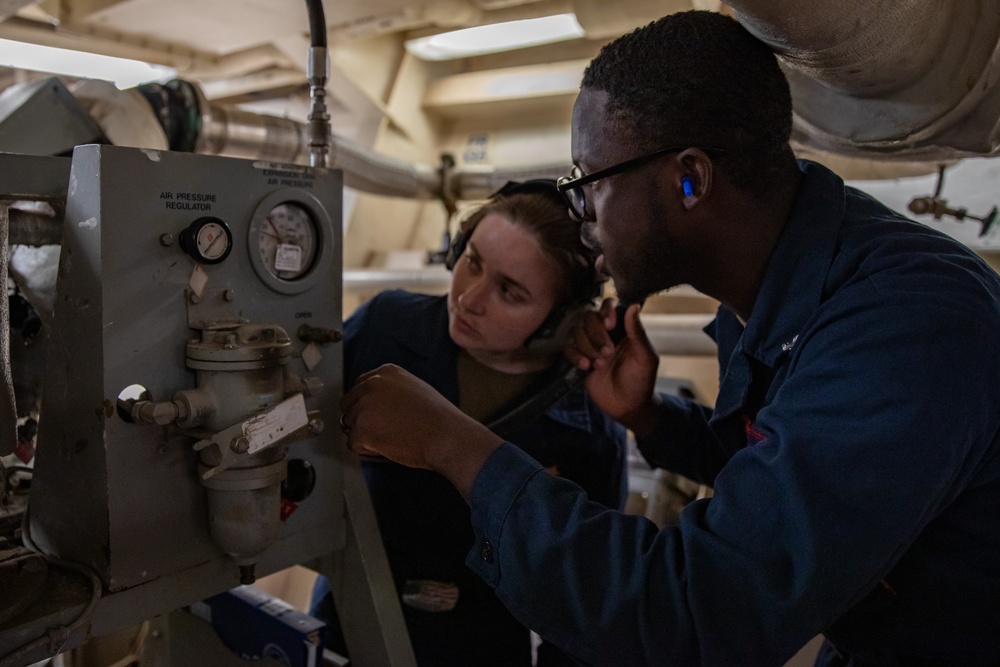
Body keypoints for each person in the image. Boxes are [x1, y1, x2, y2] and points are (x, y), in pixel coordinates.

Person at [338, 10, 1000, 667]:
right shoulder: (786, 289)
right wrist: (653, 419)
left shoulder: (899, 328)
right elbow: (789, 475)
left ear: (690, 178)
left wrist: (448, 440)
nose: (580, 213)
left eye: (587, 180)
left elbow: (695, 614)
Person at [312, 180, 628, 666]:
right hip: (347, 619)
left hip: (475, 647)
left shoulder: (585, 427)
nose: (469, 299)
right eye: (472, 261)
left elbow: (585, 602)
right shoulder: (386, 326)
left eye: (510, 291)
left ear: (558, 318)